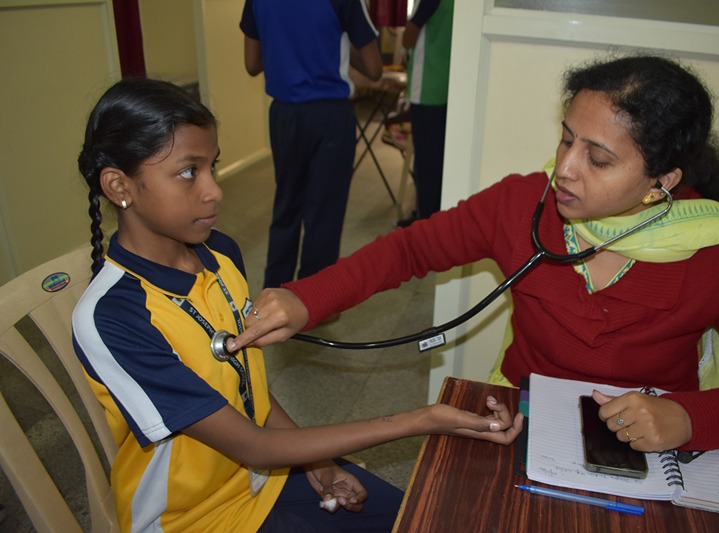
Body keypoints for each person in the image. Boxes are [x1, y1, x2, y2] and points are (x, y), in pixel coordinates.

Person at [230, 54, 719, 456]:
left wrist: (688, 418)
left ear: (662, 182)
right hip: (520, 419)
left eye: (598, 159)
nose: (565, 169)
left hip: (652, 440)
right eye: (566, 138)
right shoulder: (520, 205)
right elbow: (410, 249)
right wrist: (308, 298)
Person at [71, 78, 522, 532]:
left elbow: (247, 388)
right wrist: (421, 418)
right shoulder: (114, 317)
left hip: (262, 479)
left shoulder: (220, 253)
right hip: (193, 519)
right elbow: (252, 445)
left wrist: (317, 464)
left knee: (425, 519)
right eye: (189, 171)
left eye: (213, 166)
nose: (214, 190)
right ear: (119, 185)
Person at [239, 0, 384, 288]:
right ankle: (313, 298)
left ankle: (275, 292)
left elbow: (252, 64)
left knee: (286, 206)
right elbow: (374, 68)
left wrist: (287, 49)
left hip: (284, 115)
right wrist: (332, 43)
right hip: (330, 116)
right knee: (324, 215)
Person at [397, 0, 454, 227]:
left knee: (427, 164)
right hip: (447, 86)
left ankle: (425, 222)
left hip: (427, 88)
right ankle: (425, 215)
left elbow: (408, 38)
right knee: (436, 161)